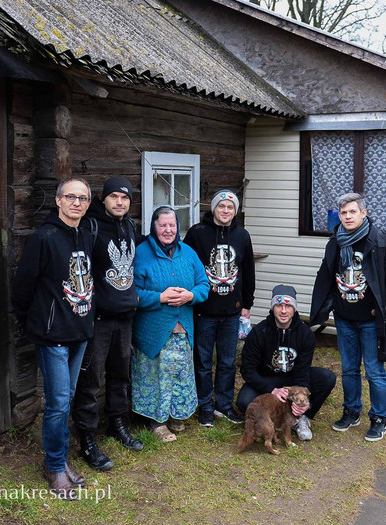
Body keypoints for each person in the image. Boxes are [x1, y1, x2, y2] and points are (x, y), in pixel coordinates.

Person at [11, 177, 95, 500]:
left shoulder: (86, 234)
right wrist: (33, 323)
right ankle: (56, 467)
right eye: (71, 197)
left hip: (80, 334)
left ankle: (59, 461)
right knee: (58, 404)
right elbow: (22, 288)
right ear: (58, 201)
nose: (77, 203)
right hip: (53, 336)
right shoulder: (42, 238)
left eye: (83, 198)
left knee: (66, 400)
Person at [309, 192, 386, 442]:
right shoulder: (335, 243)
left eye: (352, 212)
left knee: (374, 371)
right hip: (344, 319)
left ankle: (379, 418)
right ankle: (351, 411)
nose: (347, 216)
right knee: (349, 368)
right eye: (343, 213)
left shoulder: (381, 242)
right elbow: (327, 278)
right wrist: (322, 310)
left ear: (363, 213)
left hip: (371, 320)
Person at [71, 176, 143, 472]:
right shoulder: (91, 226)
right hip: (97, 320)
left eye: (124, 198)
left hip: (125, 317)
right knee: (90, 381)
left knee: (120, 375)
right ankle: (87, 439)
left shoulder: (130, 227)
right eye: (114, 196)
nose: (120, 202)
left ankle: (117, 424)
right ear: (103, 199)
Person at [131, 206, 210, 442]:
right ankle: (158, 421)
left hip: (183, 328)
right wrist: (160, 298)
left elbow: (204, 285)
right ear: (153, 227)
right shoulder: (142, 254)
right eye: (162, 225)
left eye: (172, 225)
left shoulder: (189, 254)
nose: (168, 230)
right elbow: (131, 292)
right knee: (157, 376)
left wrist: (191, 296)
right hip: (154, 330)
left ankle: (177, 414)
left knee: (180, 374)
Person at [184, 189, 255, 427]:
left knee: (227, 362)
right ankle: (205, 405)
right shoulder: (197, 233)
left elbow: (248, 272)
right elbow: (187, 266)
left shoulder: (242, 236)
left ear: (235, 211)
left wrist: (247, 304)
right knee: (203, 362)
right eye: (221, 206)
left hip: (232, 311)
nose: (226, 211)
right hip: (204, 310)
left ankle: (223, 405)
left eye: (230, 208)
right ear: (214, 208)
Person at [236, 285, 336, 441]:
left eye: (288, 306)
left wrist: (302, 400)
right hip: (266, 379)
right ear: (273, 307)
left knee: (326, 377)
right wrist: (271, 389)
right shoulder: (259, 331)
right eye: (279, 305)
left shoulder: (305, 334)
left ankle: (300, 416)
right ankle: (273, 418)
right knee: (244, 401)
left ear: (294, 309)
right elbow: (248, 369)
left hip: (292, 379)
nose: (283, 311)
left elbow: (302, 371)